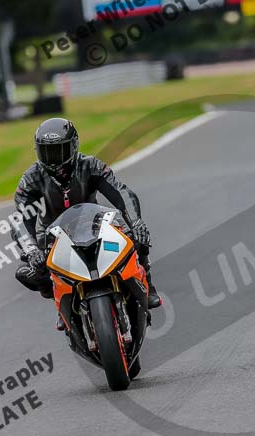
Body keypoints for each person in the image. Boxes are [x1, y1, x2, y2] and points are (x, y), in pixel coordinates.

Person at [12, 118, 162, 325]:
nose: (52, 159)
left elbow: (121, 193)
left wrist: (136, 223)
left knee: (137, 239)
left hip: (95, 224)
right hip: (53, 235)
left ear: (73, 147)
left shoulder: (90, 165)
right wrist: (31, 250)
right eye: (46, 152)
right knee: (28, 272)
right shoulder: (31, 178)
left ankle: (147, 285)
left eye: (58, 151)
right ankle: (62, 304)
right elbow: (19, 218)